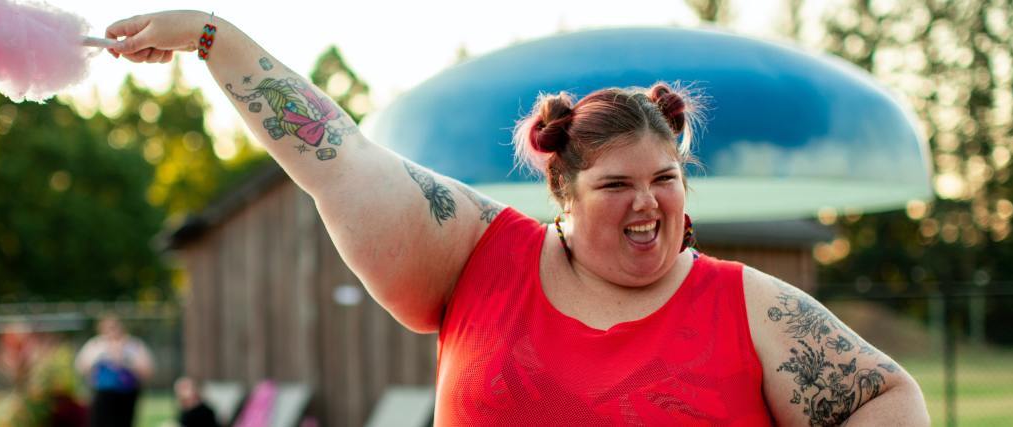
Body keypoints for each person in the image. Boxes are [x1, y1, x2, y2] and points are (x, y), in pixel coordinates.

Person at [102, 10, 929, 426]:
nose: (648, 202)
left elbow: (887, 397)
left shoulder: (747, 305)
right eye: (616, 185)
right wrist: (214, 38)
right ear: (562, 191)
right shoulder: (477, 253)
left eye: (666, 178)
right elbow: (338, 155)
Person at [75, 314, 154, 427]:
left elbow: (147, 369)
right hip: (102, 394)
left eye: (115, 327)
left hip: (127, 394)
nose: (112, 331)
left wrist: (126, 362)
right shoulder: (95, 345)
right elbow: (82, 366)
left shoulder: (134, 345)